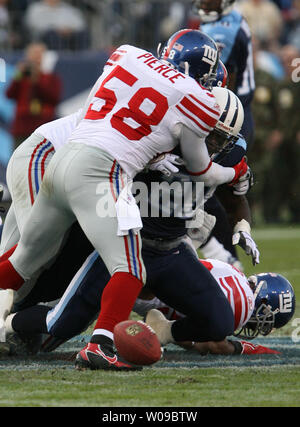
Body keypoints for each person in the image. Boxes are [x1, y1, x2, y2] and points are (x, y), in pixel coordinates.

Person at [0, 30, 250, 371]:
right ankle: (97, 344)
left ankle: (36, 323)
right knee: (127, 269)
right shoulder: (192, 100)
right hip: (89, 168)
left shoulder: (129, 55)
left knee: (23, 260)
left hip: (68, 159)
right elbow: (201, 167)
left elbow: (104, 116)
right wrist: (229, 174)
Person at [143, 265, 295, 356]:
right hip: (149, 291)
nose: (255, 327)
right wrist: (245, 348)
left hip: (157, 280)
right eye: (264, 322)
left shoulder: (237, 275)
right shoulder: (242, 302)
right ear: (263, 301)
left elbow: (194, 340)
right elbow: (216, 345)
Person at [5, 42, 62, 151]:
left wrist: (36, 80)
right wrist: (18, 74)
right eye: (34, 54)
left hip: (43, 127)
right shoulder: (21, 77)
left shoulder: (50, 77)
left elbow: (54, 98)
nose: (36, 57)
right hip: (22, 127)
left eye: (39, 54)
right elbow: (9, 94)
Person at [24, 0, 89, 50]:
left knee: (82, 34)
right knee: (52, 34)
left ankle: (82, 56)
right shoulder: (36, 9)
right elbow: (34, 24)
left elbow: (80, 24)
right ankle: (59, 55)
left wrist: (69, 30)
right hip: (46, 37)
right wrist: (56, 29)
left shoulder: (67, 8)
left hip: (69, 36)